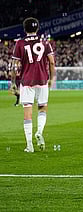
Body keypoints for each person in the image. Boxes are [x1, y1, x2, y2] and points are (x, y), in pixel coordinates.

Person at [10, 17, 55, 153]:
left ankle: (29, 145)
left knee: (27, 113)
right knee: (42, 108)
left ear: (24, 29)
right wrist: (51, 79)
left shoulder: (20, 43)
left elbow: (14, 66)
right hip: (42, 80)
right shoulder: (45, 42)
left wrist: (13, 82)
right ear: (37, 28)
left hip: (26, 81)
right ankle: (39, 131)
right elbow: (52, 62)